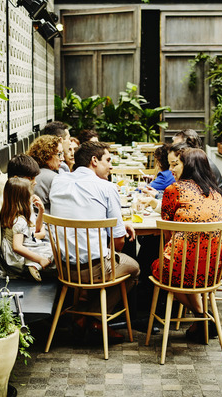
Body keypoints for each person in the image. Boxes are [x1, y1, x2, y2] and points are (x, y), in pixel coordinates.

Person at [49, 141, 140, 344]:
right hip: (94, 269)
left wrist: (114, 225)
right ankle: (96, 319)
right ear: (94, 161)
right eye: (108, 160)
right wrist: (115, 229)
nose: (111, 166)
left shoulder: (59, 181)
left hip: (63, 269)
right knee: (133, 269)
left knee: (102, 263)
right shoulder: (106, 187)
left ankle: (83, 317)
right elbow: (118, 243)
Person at [152, 147, 222, 343]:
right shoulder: (218, 195)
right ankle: (203, 319)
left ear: (189, 166)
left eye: (176, 165)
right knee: (188, 266)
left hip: (180, 267)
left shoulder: (174, 190)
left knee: (167, 268)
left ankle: (202, 316)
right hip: (214, 269)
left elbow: (168, 233)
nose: (171, 170)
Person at [0, 177, 55, 281]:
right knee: (54, 251)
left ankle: (34, 265)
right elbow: (17, 247)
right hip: (17, 261)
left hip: (12, 256)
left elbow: (35, 231)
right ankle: (34, 265)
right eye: (29, 196)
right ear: (22, 199)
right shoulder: (19, 221)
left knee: (51, 248)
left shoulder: (10, 215)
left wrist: (41, 211)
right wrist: (40, 259)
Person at [27, 135, 62, 211]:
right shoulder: (53, 177)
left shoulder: (32, 172)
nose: (62, 158)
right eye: (59, 154)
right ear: (47, 155)